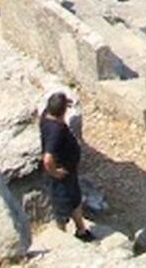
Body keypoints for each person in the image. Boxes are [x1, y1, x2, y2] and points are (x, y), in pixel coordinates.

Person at [39, 91, 93, 241]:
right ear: (62, 112)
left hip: (68, 170)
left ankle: (81, 230)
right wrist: (55, 172)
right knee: (64, 205)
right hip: (61, 174)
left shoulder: (45, 116)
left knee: (75, 199)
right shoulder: (56, 130)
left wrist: (63, 103)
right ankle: (63, 236)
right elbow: (47, 158)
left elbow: (53, 106)